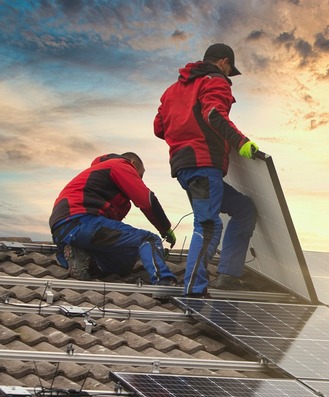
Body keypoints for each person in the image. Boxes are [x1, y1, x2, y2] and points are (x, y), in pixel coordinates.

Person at [154, 43, 262, 297]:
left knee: (244, 209)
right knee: (208, 225)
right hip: (203, 164)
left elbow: (159, 128)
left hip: (184, 168)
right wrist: (241, 143)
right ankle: (194, 289)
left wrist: (184, 128)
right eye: (229, 69)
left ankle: (229, 275)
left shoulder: (172, 90)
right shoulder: (215, 80)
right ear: (224, 62)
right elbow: (214, 113)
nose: (228, 75)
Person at [49, 152, 178, 285]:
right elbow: (147, 201)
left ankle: (78, 258)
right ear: (132, 163)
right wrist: (165, 229)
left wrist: (152, 254)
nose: (140, 179)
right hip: (82, 220)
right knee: (149, 240)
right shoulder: (120, 165)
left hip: (62, 230)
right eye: (140, 175)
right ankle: (163, 281)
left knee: (124, 263)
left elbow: (112, 236)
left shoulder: (100, 175)